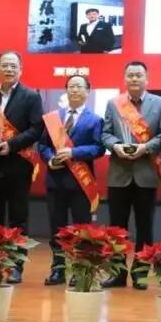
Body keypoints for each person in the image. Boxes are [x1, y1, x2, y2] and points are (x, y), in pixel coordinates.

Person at [0, 51, 43, 284]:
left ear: (20, 70)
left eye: (14, 66)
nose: (9, 69)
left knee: (18, 218)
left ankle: (15, 266)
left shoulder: (31, 96)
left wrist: (11, 145)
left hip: (18, 165)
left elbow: (36, 129)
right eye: (5, 65)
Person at [101, 61, 161, 289]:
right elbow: (105, 134)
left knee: (145, 226)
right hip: (118, 173)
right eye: (130, 75)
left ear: (146, 78)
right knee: (117, 228)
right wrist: (115, 145)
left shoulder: (160, 104)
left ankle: (140, 273)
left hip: (145, 173)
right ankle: (117, 273)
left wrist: (145, 147)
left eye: (139, 75)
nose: (134, 79)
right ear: (125, 78)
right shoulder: (114, 103)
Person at [38, 74, 105, 286]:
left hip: (80, 184)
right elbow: (42, 145)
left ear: (87, 91)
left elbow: (98, 148)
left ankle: (80, 269)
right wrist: (50, 159)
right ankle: (58, 269)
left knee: (81, 229)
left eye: (79, 86)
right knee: (56, 228)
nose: (75, 90)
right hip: (55, 181)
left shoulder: (95, 120)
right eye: (71, 86)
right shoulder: (53, 118)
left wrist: (74, 152)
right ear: (66, 91)